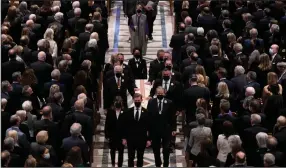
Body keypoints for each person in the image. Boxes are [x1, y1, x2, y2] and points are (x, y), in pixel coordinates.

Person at [147, 87, 176, 167]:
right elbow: (148, 116)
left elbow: (173, 117)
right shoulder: (151, 102)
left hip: (166, 129)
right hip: (155, 130)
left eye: (161, 93)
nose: (160, 95)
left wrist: (174, 129)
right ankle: (158, 164)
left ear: (164, 93)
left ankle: (166, 165)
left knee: (166, 150)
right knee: (156, 150)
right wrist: (148, 129)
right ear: (156, 94)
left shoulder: (169, 102)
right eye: (158, 94)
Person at [122, 93, 150, 167]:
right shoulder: (128, 112)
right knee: (130, 157)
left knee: (140, 158)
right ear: (133, 100)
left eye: (138, 100)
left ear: (141, 100)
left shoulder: (146, 112)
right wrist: (124, 138)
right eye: (136, 100)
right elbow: (125, 126)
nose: (137, 102)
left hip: (142, 139)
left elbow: (149, 126)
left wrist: (149, 139)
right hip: (131, 139)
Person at [105, 96, 125, 167]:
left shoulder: (124, 112)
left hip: (121, 136)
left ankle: (120, 165)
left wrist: (125, 137)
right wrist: (107, 136)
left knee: (121, 152)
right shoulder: (110, 112)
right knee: (112, 151)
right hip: (112, 135)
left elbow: (126, 126)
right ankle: (113, 163)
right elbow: (107, 124)